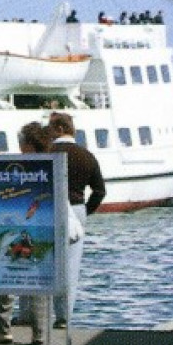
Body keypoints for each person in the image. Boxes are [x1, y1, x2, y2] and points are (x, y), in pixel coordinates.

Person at [47, 111, 106, 331]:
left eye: (51, 128)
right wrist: (85, 212)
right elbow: (100, 191)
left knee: (48, 262)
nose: (49, 133)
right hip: (77, 207)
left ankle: (42, 313)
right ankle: (64, 317)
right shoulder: (86, 156)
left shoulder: (48, 153)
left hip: (50, 209)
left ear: (60, 129)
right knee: (71, 266)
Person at [0, 122, 51, 343]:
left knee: (6, 276)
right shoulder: (49, 166)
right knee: (37, 280)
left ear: (27, 143)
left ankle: (3, 329)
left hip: (15, 227)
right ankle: (40, 333)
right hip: (39, 229)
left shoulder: (15, 166)